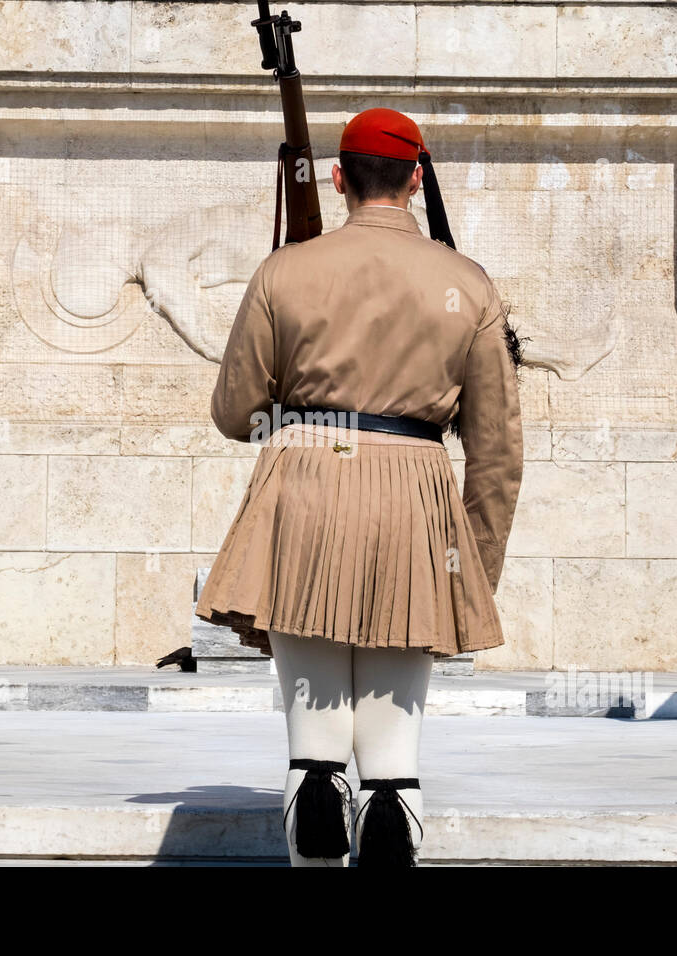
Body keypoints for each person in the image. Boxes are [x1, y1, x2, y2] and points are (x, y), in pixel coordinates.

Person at [194, 108, 525, 865]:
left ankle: (317, 792)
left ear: (338, 179)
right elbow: (497, 448)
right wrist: (471, 567)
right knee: (392, 756)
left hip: (303, 492)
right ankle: (387, 803)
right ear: (416, 178)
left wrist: (303, 410)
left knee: (314, 749)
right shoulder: (467, 283)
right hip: (414, 501)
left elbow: (232, 413)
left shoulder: (285, 270)